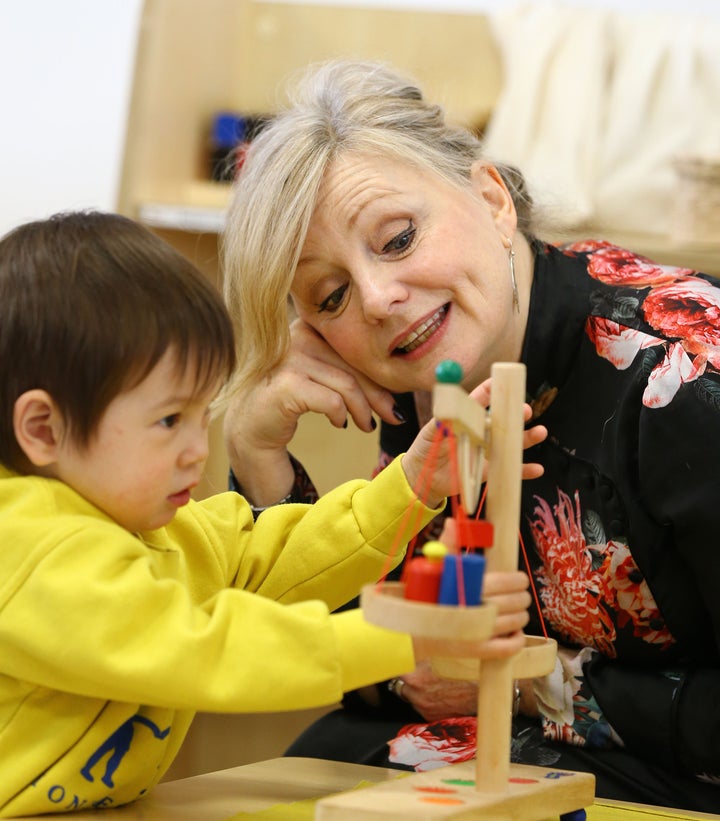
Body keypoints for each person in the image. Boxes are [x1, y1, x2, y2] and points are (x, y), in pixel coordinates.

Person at [220, 58, 720, 813]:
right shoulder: (425, 379)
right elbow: (348, 662)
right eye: (331, 295)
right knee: (311, 771)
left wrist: (531, 683)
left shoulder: (678, 375)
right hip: (532, 748)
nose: (382, 299)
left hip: (681, 772)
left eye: (397, 240)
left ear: (491, 199)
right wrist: (259, 458)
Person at [0, 210, 535, 818]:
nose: (198, 450)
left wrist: (410, 485)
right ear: (44, 429)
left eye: (203, 417)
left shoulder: (150, 526)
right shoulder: (33, 551)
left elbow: (276, 555)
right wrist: (399, 638)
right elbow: (202, 647)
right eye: (169, 421)